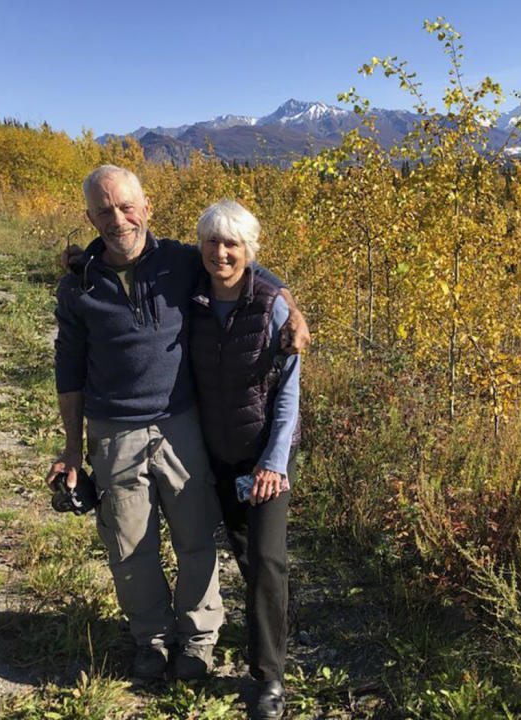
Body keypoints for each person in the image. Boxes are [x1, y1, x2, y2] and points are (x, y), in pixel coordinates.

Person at [46, 165, 308, 681]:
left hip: (181, 424)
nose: (117, 218)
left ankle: (198, 641)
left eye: (126, 206)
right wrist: (72, 451)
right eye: (104, 210)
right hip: (113, 429)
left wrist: (293, 309)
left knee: (195, 539)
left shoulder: (181, 260)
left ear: (147, 208)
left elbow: (245, 267)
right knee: (130, 545)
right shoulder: (76, 285)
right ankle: (153, 640)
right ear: (90, 217)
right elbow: (68, 369)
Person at [189, 200, 298, 720]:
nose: (221, 252)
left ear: (249, 251)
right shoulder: (190, 295)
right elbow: (140, 250)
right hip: (217, 452)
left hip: (264, 456)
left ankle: (269, 678)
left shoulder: (273, 304)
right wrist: (84, 261)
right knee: (248, 558)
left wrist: (273, 464)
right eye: (212, 242)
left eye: (232, 243)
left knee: (268, 561)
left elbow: (289, 395)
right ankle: (268, 628)